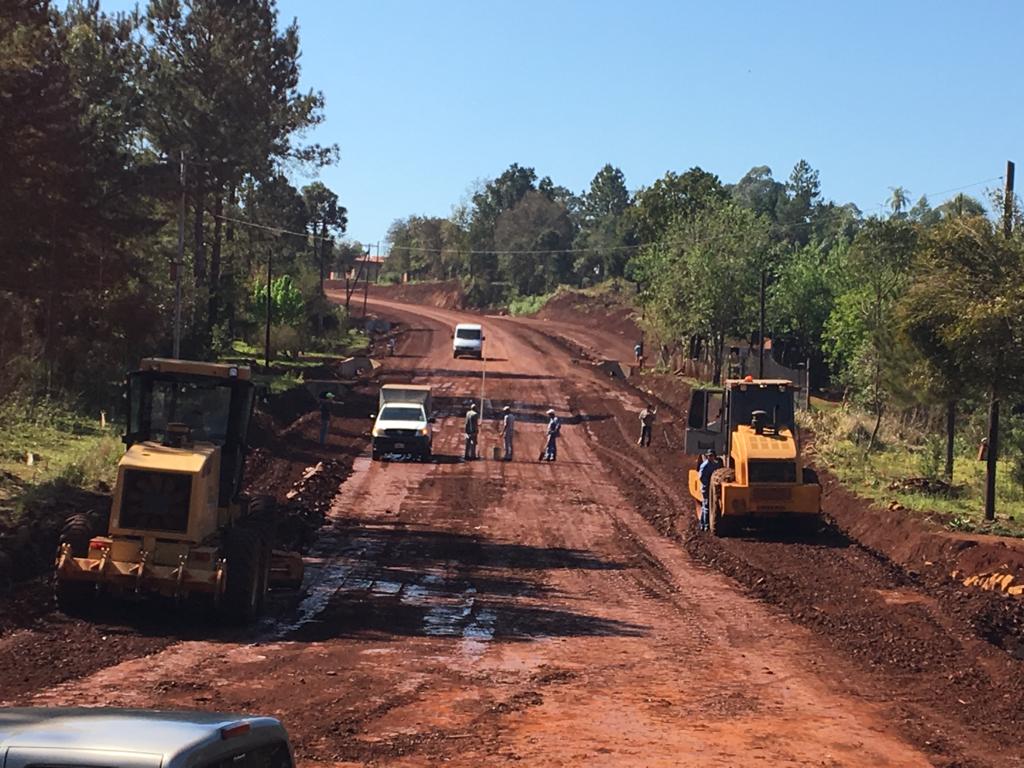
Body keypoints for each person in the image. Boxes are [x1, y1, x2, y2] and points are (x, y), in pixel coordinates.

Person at [698, 448, 723, 531]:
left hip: (713, 488)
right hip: (706, 488)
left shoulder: (715, 464)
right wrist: (708, 484)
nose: (710, 457)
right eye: (709, 456)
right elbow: (701, 477)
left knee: (707, 505)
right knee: (706, 506)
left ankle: (702, 523)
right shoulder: (704, 465)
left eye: (712, 456)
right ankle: (705, 525)